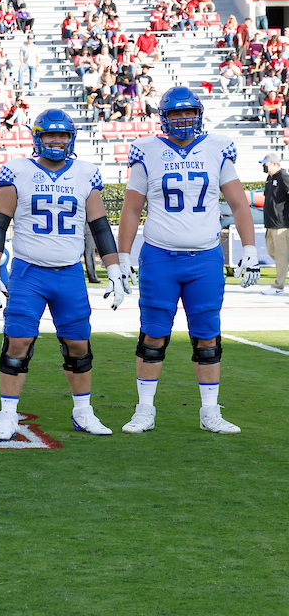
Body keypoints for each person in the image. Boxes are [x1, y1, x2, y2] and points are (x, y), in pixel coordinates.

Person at [116, 88, 259, 435]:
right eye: (176, 114)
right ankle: (145, 410)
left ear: (199, 114)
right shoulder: (147, 151)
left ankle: (210, 411)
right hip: (160, 257)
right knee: (153, 335)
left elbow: (239, 204)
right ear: (164, 117)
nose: (183, 120)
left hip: (205, 258)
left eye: (188, 113)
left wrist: (250, 249)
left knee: (208, 336)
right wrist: (122, 257)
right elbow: (132, 209)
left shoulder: (216, 148)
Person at [0, 109, 127, 442]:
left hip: (69, 272)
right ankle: (7, 416)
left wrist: (114, 268)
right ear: (37, 137)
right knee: (17, 341)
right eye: (50, 135)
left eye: (62, 136)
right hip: (28, 271)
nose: (56, 141)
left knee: (78, 344)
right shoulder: (17, 171)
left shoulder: (85, 173)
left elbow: (100, 226)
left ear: (71, 138)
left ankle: (83, 411)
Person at [260, 153, 289, 295]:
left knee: (281, 256)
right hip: (270, 223)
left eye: (266, 163)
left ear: (274, 163)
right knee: (272, 252)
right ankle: (283, 274)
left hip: (281, 223)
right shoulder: (269, 178)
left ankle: (279, 287)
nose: (263, 166)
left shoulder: (283, 176)